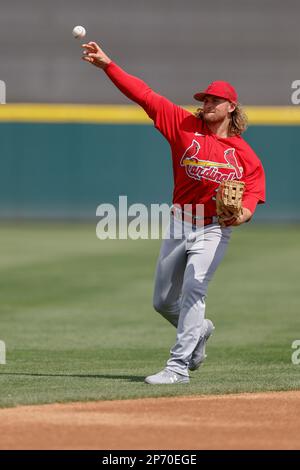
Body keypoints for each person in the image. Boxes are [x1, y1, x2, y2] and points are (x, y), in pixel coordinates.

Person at [82, 42, 266, 385]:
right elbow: (145, 95)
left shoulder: (244, 154)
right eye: (204, 99)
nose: (206, 104)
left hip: (213, 228)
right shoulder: (182, 124)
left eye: (213, 100)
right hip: (181, 221)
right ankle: (201, 330)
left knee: (196, 288)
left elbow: (252, 195)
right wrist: (109, 65)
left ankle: (178, 368)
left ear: (231, 107)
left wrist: (241, 213)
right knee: (163, 301)